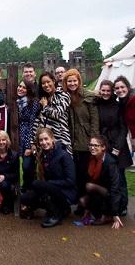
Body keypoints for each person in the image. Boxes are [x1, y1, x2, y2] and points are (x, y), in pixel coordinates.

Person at [21, 128, 77, 228]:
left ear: (52, 139)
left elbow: (71, 181)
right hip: (51, 189)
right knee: (25, 198)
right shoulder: (43, 155)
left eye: (46, 139)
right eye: (41, 140)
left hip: (66, 193)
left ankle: (56, 215)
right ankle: (60, 209)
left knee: (38, 185)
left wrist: (49, 184)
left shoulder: (64, 155)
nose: (44, 142)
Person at [62, 69, 99, 215]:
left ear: (79, 81)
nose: (72, 84)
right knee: (76, 175)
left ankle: (86, 205)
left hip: (86, 141)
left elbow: (94, 120)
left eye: (74, 81)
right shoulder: (67, 98)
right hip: (72, 141)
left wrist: (94, 141)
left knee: (86, 175)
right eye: (69, 81)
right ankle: (80, 203)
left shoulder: (88, 97)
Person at [96, 80, 132, 214]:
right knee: (107, 178)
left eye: (108, 90)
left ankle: (122, 206)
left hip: (118, 146)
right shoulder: (97, 105)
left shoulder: (118, 106)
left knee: (120, 178)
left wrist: (117, 147)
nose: (105, 93)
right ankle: (111, 205)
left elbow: (123, 128)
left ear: (112, 91)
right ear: (100, 90)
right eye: (103, 90)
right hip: (104, 145)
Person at [79, 136, 123, 229]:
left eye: (96, 145)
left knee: (90, 186)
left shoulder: (110, 162)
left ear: (103, 147)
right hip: (98, 194)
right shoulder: (90, 159)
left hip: (111, 194)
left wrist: (115, 213)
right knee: (82, 200)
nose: (92, 147)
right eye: (90, 145)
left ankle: (107, 215)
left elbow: (116, 187)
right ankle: (98, 213)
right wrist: (87, 209)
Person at [31, 71, 72, 154]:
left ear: (53, 81)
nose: (46, 85)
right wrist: (33, 142)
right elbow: (37, 121)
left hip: (60, 139)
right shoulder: (43, 98)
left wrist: (45, 106)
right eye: (43, 83)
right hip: (45, 141)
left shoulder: (63, 95)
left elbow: (57, 113)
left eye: (48, 82)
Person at [113, 75, 135, 216]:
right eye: (117, 88)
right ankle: (123, 205)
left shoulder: (133, 100)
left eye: (122, 87)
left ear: (128, 87)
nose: (120, 90)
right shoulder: (122, 103)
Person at [17, 80, 40, 192]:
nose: (20, 89)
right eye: (19, 86)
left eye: (24, 88)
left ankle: (30, 188)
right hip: (19, 134)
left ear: (29, 90)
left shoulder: (34, 102)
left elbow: (32, 122)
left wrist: (29, 145)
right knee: (21, 165)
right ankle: (23, 188)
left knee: (27, 166)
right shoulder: (18, 101)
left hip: (28, 135)